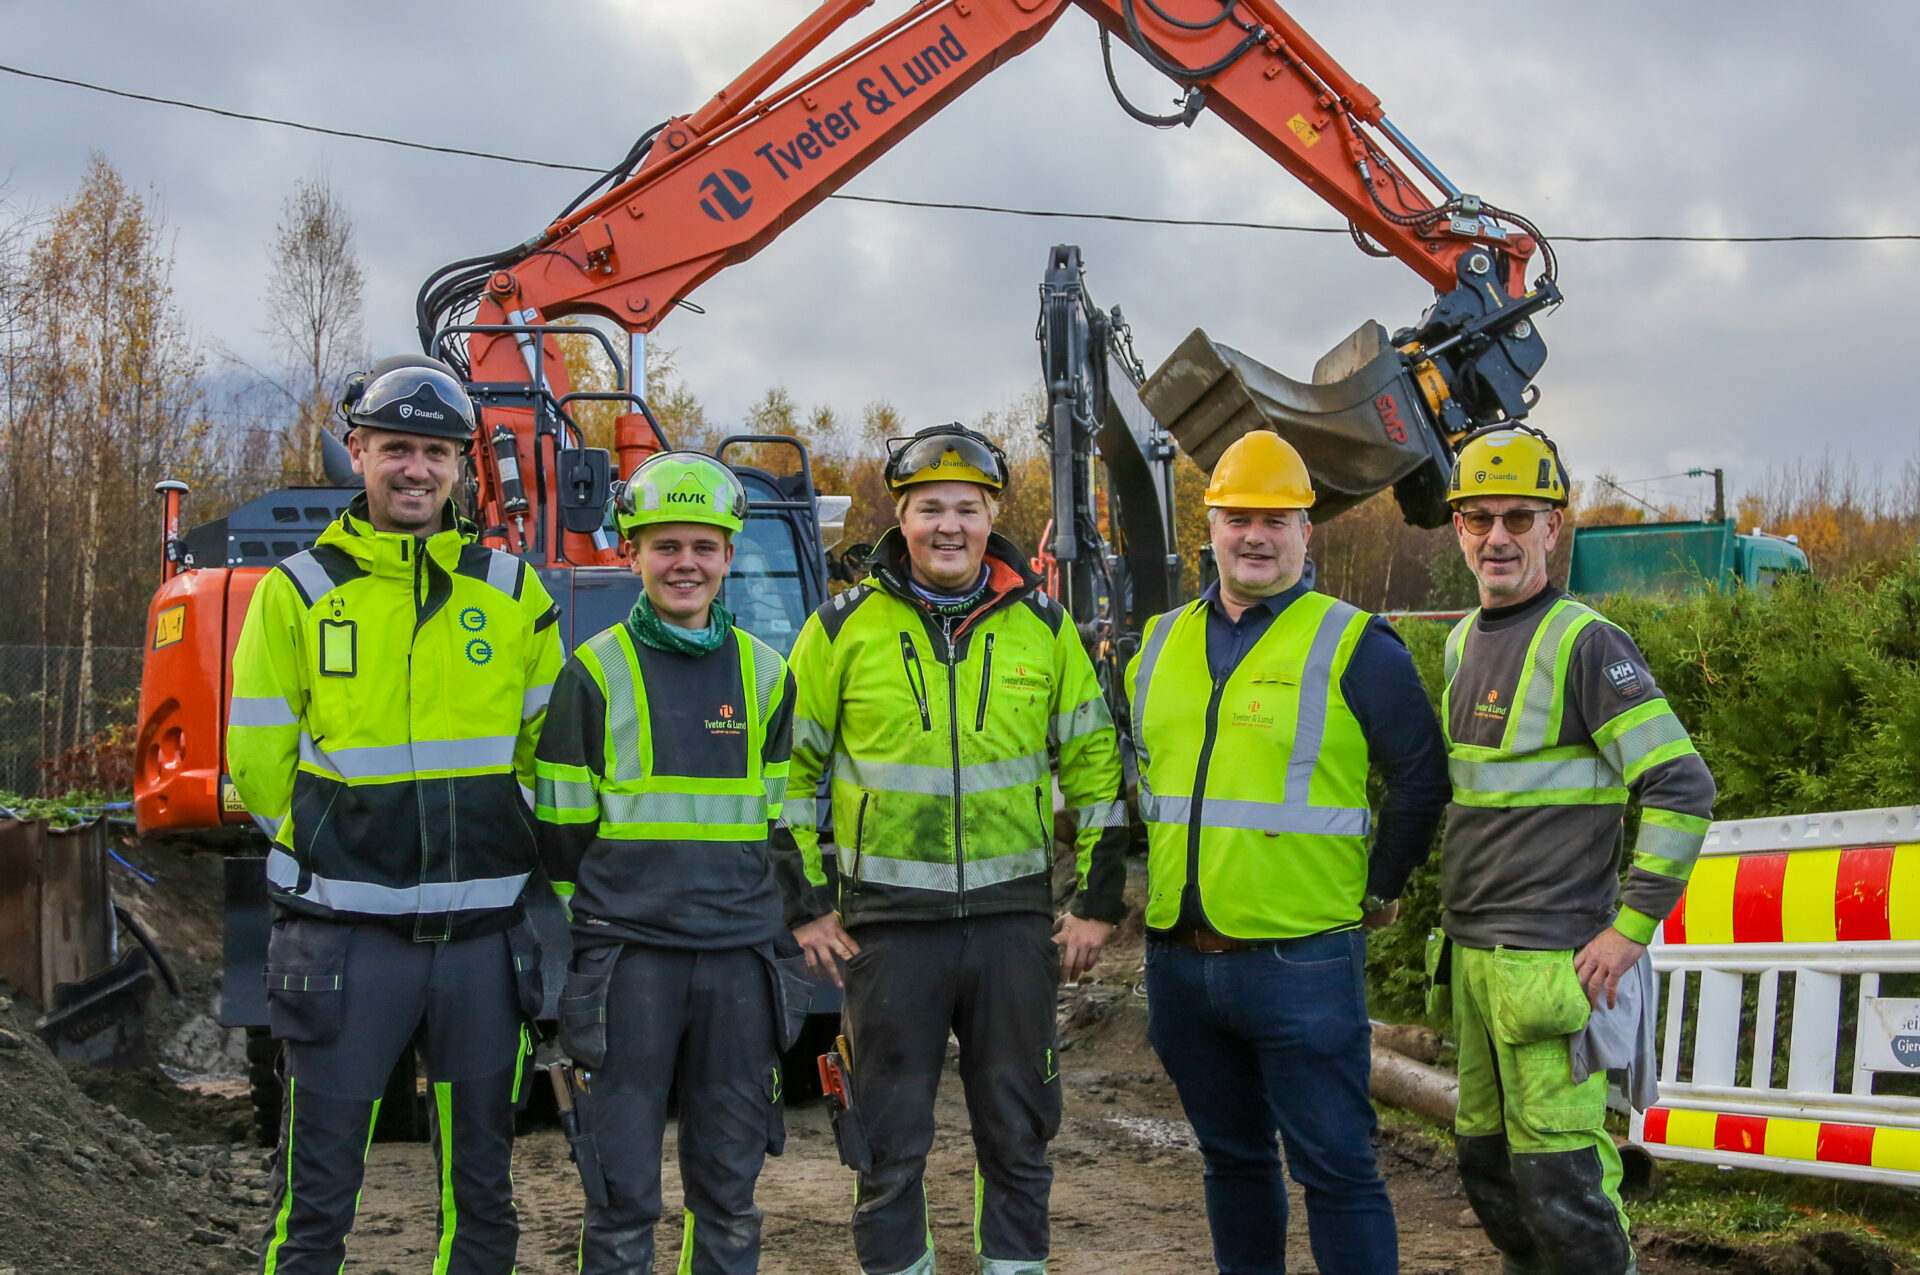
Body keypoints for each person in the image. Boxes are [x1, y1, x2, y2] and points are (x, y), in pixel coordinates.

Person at [227, 355, 562, 1274]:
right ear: (359, 453)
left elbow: (545, 756)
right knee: (316, 1194)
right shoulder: (296, 592)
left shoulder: (513, 591)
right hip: (344, 939)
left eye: (436, 452)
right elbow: (257, 761)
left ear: (461, 468)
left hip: (482, 945)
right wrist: (337, 847)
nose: (416, 469)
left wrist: (504, 848)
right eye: (396, 448)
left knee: (482, 1198)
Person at [781, 423, 1129, 1275]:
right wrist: (808, 903)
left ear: (992, 515)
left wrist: (1095, 901)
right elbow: (786, 776)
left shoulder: (1044, 628)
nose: (948, 525)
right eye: (929, 507)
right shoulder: (839, 629)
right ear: (899, 517)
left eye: (965, 509)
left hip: (1014, 928)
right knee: (886, 1139)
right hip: (888, 931)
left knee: (1018, 1128)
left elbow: (1096, 767)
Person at [1124, 429, 1450, 1275]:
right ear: (1213, 526)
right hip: (1180, 962)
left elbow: (1421, 779)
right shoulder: (1155, 645)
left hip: (1300, 959)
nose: (1256, 535)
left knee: (1337, 1170)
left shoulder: (1354, 644)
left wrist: (1379, 884)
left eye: (1277, 518)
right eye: (1239, 517)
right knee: (1231, 1161)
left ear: (1310, 531)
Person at [1437, 424, 1715, 1274]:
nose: (1498, 537)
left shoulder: (1586, 642)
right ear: (1457, 528)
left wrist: (1630, 929)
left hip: (1554, 966)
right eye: (1478, 518)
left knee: (1563, 1187)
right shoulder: (1459, 642)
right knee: (1490, 1174)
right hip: (1477, 961)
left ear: (1555, 526)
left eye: (1520, 517)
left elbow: (1682, 784)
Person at [532, 450, 810, 1274]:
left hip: (739, 962)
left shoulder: (766, 676)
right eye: (664, 545)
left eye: (702, 546)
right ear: (631, 551)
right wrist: (622, 908)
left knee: (729, 1192)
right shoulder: (593, 673)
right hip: (630, 961)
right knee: (620, 1195)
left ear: (729, 555)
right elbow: (560, 828)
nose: (684, 562)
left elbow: (778, 819)